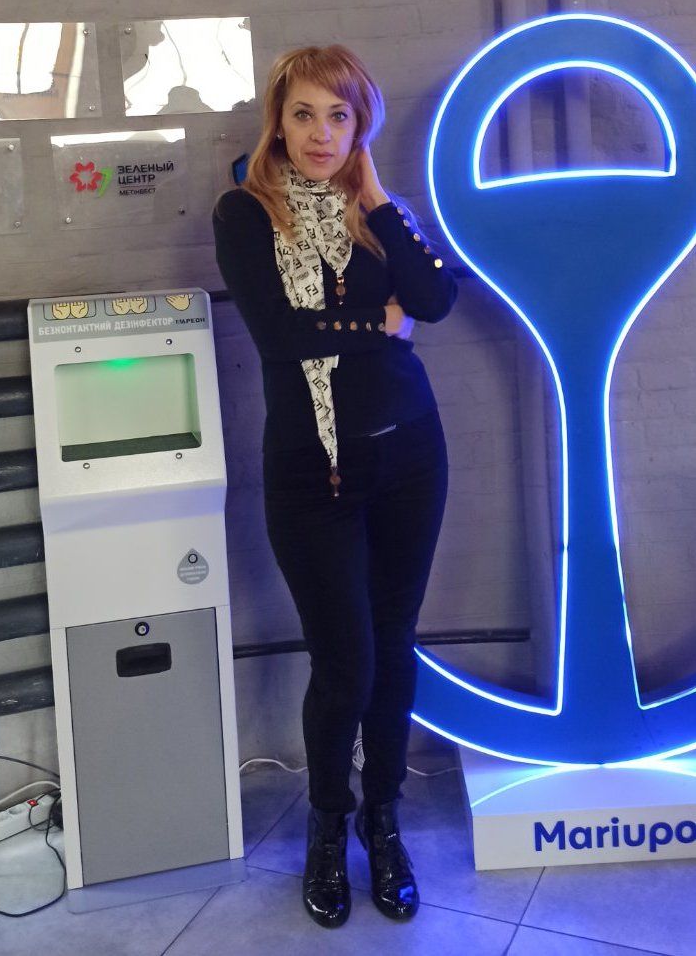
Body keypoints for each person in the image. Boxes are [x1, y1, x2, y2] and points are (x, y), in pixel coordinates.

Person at [213, 45, 457, 928]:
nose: (321, 134)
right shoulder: (245, 212)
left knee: (392, 651)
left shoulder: (378, 211)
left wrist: (378, 197)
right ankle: (327, 826)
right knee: (345, 661)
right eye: (305, 114)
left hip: (410, 459)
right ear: (277, 121)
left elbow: (435, 299)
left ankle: (382, 823)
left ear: (361, 125)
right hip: (312, 473)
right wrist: (377, 322)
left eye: (340, 116)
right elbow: (281, 334)